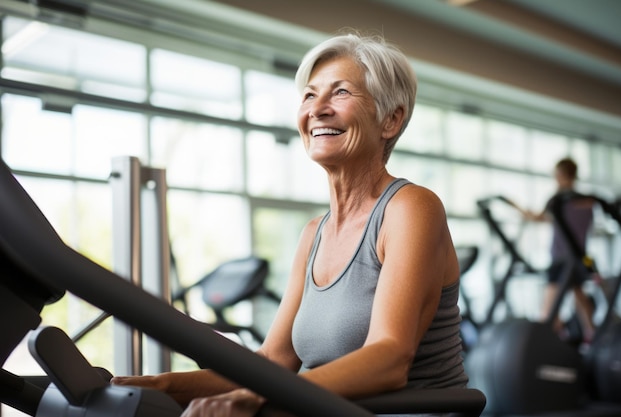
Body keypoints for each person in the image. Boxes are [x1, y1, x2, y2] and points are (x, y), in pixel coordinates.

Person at [112, 32, 468, 416]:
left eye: (341, 93)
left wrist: (259, 396)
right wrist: (157, 385)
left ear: (391, 120)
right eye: (310, 95)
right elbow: (273, 362)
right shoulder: (314, 233)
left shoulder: (411, 208)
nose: (318, 109)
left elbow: (390, 357)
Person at [517, 157, 595, 343]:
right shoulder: (587, 202)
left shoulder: (558, 201)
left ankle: (549, 342)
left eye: (556, 175)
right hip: (580, 258)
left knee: (549, 309)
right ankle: (592, 336)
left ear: (561, 175)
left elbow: (539, 217)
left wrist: (521, 210)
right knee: (579, 297)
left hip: (561, 260)